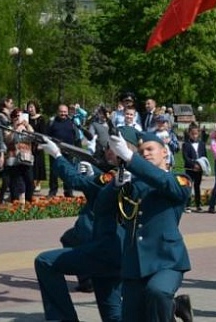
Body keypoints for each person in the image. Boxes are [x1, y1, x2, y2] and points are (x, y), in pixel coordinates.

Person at [109, 131, 193, 321]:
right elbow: (104, 209)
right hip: (135, 262)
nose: (145, 153)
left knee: (158, 292)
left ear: (164, 152)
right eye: (140, 152)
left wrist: (131, 158)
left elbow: (164, 182)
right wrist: (115, 185)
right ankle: (173, 307)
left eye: (150, 149)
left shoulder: (180, 180)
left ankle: (171, 306)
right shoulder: (133, 184)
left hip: (166, 259)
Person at [35, 139, 123, 322]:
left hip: (105, 250)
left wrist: (57, 155)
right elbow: (96, 189)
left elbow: (77, 182)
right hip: (116, 250)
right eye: (107, 147)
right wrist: (94, 174)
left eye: (113, 148)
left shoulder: (118, 175)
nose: (108, 151)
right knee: (113, 315)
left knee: (45, 262)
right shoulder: (121, 174)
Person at [46, 104, 78, 197]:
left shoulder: (72, 122)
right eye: (61, 112)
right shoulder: (52, 122)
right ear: (57, 112)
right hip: (55, 151)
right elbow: (46, 136)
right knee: (54, 172)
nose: (63, 114)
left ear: (67, 112)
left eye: (65, 112)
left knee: (68, 172)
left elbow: (76, 137)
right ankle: (53, 191)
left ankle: (68, 191)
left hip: (69, 151)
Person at [182, 122, 207, 212]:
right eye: (193, 134)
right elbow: (185, 157)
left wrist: (201, 165)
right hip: (190, 169)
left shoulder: (202, 144)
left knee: (197, 186)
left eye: (196, 134)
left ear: (198, 133)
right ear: (189, 134)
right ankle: (187, 205)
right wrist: (193, 165)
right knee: (189, 186)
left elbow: (204, 156)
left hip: (199, 169)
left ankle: (198, 205)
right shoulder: (186, 144)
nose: (194, 136)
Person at [26, 100, 48, 194]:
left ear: (36, 107)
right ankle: (31, 183)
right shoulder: (26, 118)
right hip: (28, 144)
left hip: (38, 144)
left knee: (39, 164)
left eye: (32, 107)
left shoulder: (41, 119)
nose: (30, 109)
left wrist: (41, 143)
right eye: (29, 107)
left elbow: (44, 132)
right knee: (30, 164)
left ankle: (38, 183)